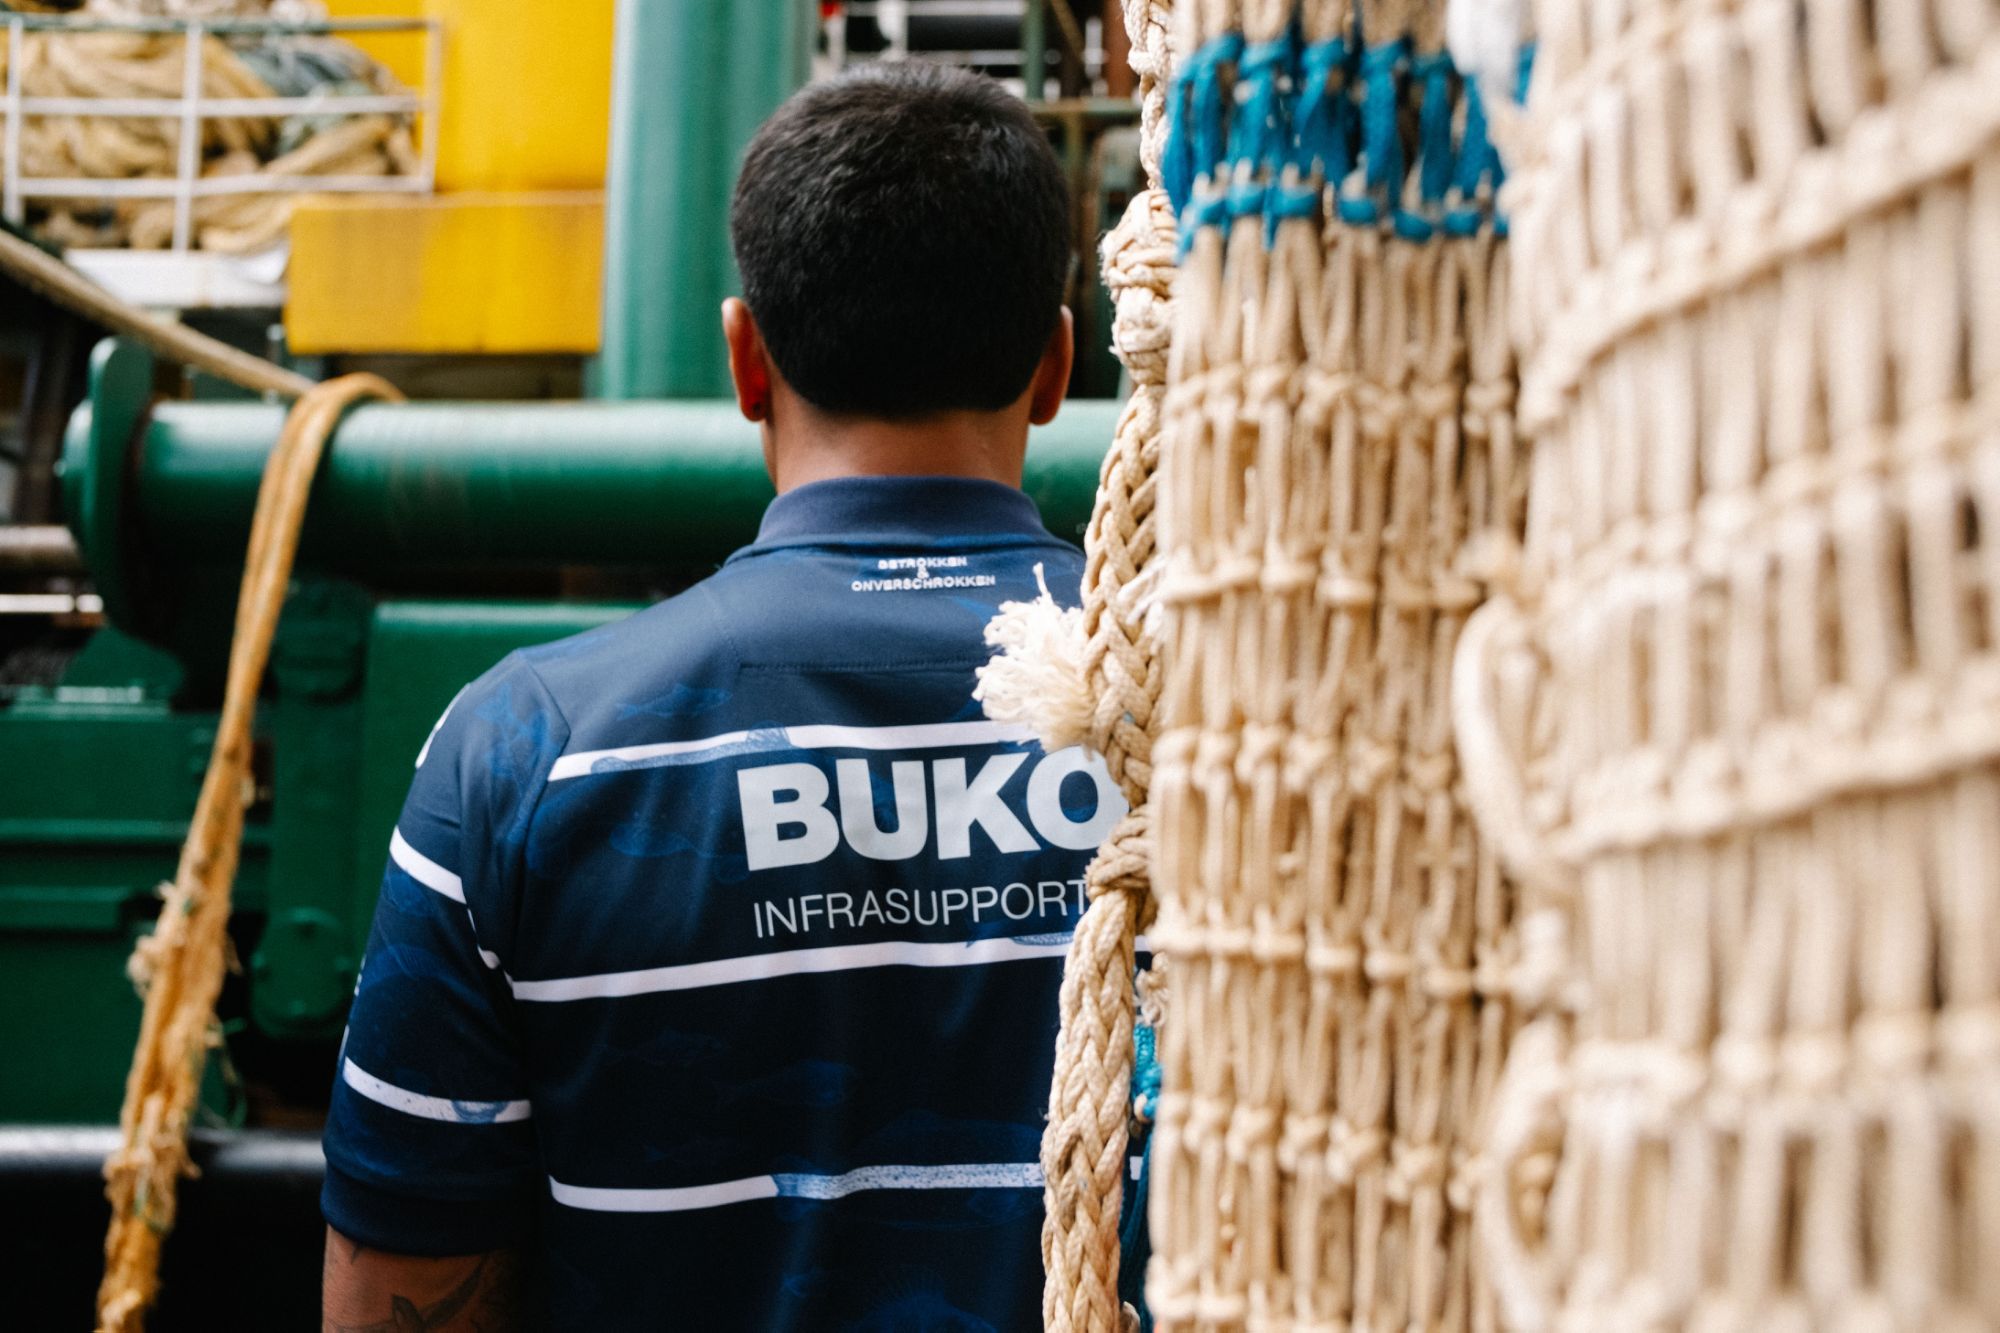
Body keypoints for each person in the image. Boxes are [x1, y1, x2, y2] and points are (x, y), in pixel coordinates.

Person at [320, 62, 1122, 1330]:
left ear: (745, 360)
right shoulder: (1222, 726)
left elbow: (396, 1289)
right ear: (1056, 365)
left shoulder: (526, 752)